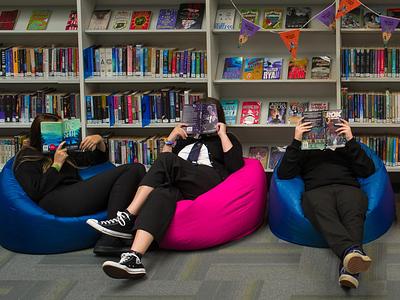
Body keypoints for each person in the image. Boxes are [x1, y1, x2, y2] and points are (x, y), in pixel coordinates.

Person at [87, 97, 244, 279]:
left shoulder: (227, 138)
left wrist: (222, 134)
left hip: (206, 180)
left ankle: (128, 216)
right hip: (179, 182)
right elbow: (160, 168)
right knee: (161, 194)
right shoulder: (184, 140)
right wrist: (171, 138)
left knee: (167, 161)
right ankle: (134, 257)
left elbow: (235, 166)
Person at [13, 113, 146, 255]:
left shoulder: (64, 151)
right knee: (133, 169)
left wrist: (99, 141)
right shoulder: (28, 156)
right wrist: (56, 165)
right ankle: (111, 238)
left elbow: (95, 159)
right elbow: (35, 190)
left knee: (133, 172)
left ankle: (115, 235)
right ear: (39, 134)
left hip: (74, 194)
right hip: (55, 200)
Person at [277, 118, 375, 289]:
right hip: (317, 190)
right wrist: (297, 139)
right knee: (321, 210)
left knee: (353, 214)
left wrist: (351, 139)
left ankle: (349, 262)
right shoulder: (304, 149)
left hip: (348, 187)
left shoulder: (345, 147)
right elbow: (284, 173)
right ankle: (351, 256)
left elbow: (368, 170)